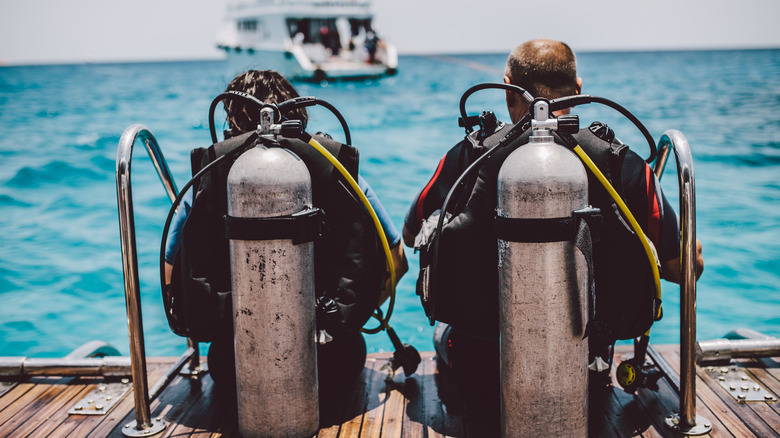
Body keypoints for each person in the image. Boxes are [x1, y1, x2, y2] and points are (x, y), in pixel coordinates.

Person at [402, 39, 704, 411]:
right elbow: (682, 270)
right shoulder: (622, 165)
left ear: (508, 90)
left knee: (444, 335)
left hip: (480, 370)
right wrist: (688, 248)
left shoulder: (468, 157)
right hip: (585, 373)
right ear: (577, 91)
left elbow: (411, 234)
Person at [165, 69, 407, 421]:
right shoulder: (337, 169)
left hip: (234, 370)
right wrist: (342, 316)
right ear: (298, 115)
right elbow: (397, 262)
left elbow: (173, 282)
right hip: (335, 364)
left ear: (230, 122)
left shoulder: (211, 177)